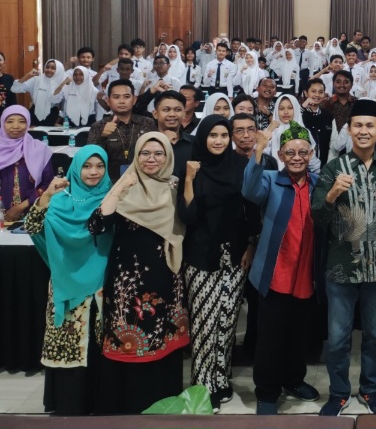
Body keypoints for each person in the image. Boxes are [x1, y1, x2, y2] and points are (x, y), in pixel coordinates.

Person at [312, 99, 376, 416]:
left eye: (369, 125)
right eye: (358, 125)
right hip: (341, 269)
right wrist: (332, 195)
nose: (364, 131)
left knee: (375, 337)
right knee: (338, 339)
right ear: (349, 130)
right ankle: (339, 392)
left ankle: (370, 390)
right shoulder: (333, 168)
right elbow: (317, 218)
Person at [88, 132, 188, 414]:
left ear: (168, 156)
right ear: (136, 156)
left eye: (158, 153)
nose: (151, 159)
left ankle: (161, 404)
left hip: (167, 277)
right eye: (145, 153)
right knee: (128, 341)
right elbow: (97, 225)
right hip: (128, 282)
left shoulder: (176, 186)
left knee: (162, 340)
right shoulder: (125, 186)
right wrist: (121, 186)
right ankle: (127, 405)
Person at [178, 116, 259, 412]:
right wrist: (189, 179)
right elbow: (187, 216)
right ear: (203, 138)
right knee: (204, 324)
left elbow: (250, 210)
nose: (219, 141)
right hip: (201, 255)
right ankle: (202, 387)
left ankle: (221, 379)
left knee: (226, 321)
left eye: (224, 135)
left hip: (235, 255)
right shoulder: (192, 167)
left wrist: (250, 244)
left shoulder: (240, 166)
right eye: (213, 135)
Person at [25, 146, 112, 415]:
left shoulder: (112, 199)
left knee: (99, 348)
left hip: (102, 286)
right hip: (66, 285)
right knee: (69, 349)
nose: (94, 172)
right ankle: (69, 406)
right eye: (87, 166)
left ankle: (100, 404)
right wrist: (46, 195)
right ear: (76, 169)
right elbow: (32, 226)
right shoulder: (60, 200)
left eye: (99, 166)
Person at [243, 121, 320, 414]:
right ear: (281, 155)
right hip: (275, 272)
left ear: (311, 153)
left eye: (302, 152)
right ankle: (267, 391)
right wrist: (259, 149)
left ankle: (293, 380)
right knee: (271, 337)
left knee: (300, 333)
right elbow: (250, 191)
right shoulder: (270, 179)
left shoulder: (318, 183)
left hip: (306, 272)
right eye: (290, 152)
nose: (297, 157)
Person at [87, 79, 157, 182]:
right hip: (108, 182)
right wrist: (103, 136)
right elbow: (90, 157)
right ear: (108, 101)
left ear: (134, 100)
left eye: (126, 96)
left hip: (143, 180)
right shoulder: (98, 126)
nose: (121, 101)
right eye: (116, 97)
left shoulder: (147, 123)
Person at [0, 105, 54, 221]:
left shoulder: (39, 150)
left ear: (28, 123)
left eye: (22, 121)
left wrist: (20, 207)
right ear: (2, 123)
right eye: (9, 121)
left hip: (35, 213)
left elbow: (48, 184)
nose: (16, 126)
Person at [12, 59, 65, 126]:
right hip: (34, 112)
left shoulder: (62, 83)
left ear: (58, 70)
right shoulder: (36, 80)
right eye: (47, 67)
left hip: (52, 114)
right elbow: (15, 89)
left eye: (53, 68)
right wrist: (28, 75)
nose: (49, 70)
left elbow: (55, 101)